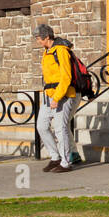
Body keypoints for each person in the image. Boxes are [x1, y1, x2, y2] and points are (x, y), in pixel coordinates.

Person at [35, 24, 77, 173]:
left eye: (39, 38)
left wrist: (57, 97)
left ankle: (66, 162)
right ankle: (55, 157)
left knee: (60, 128)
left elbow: (66, 77)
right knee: (41, 126)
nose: (37, 41)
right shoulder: (47, 51)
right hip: (49, 95)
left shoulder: (61, 50)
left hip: (63, 95)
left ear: (47, 37)